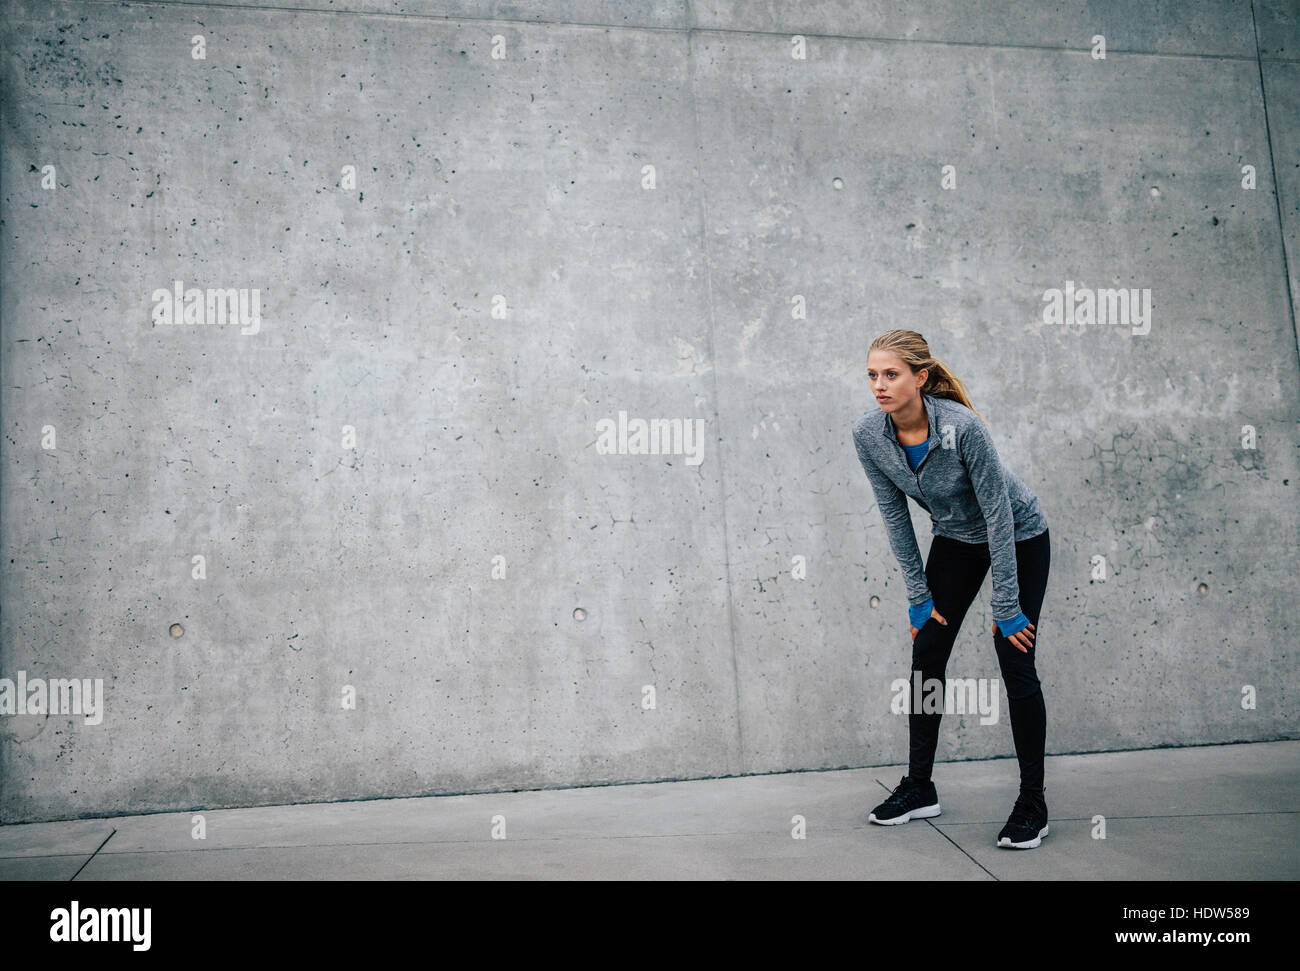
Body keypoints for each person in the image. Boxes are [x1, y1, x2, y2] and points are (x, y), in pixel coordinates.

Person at [851, 329, 1052, 849]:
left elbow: (998, 512)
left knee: (1014, 656)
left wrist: (1006, 604)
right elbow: (895, 515)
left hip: (1018, 533)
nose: (879, 385)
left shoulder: (962, 428)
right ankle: (920, 786)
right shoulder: (869, 436)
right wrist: (918, 595)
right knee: (928, 654)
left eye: (891, 374)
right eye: (872, 375)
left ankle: (1033, 802)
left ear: (921, 377)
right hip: (957, 539)